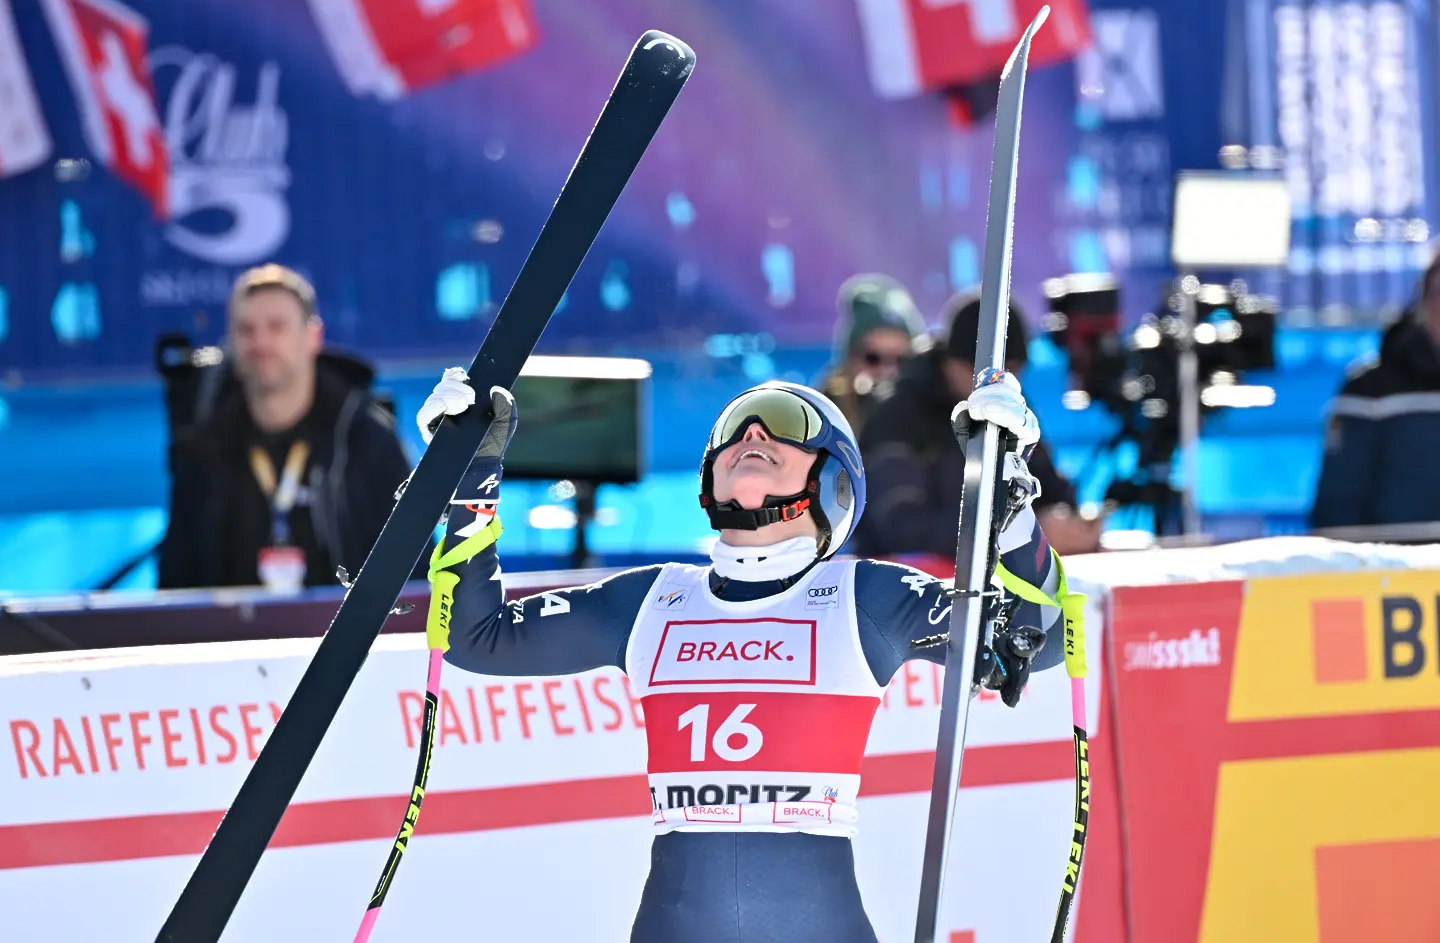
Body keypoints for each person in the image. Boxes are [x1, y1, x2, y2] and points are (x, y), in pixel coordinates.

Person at [416, 365, 1078, 942]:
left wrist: (1006, 483)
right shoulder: (651, 598)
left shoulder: (867, 593)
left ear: (835, 479)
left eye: (784, 423)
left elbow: (1032, 640)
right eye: (734, 429)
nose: (751, 435)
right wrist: (468, 476)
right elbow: (478, 637)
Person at [158, 264, 414, 590]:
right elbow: (176, 589)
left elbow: (416, 576)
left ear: (313, 336)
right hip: (234, 640)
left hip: (350, 639)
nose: (261, 343)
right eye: (246, 330)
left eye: (276, 327)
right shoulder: (203, 452)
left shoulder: (367, 440)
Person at [855, 291, 1103, 558]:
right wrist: (1015, 534)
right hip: (907, 590)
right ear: (952, 362)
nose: (1000, 384)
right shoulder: (897, 415)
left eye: (1012, 372)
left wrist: (1074, 522)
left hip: (993, 580)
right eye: (990, 374)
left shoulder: (1010, 405)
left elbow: (1048, 486)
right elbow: (901, 528)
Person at [1311, 253, 1440, 530]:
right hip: (1399, 568)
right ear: (1424, 303)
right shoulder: (1369, 390)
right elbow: (1337, 507)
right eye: (1439, 295)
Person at [816, 273, 930, 434]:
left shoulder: (940, 418)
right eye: (873, 358)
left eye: (902, 360)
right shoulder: (820, 419)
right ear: (850, 359)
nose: (888, 371)